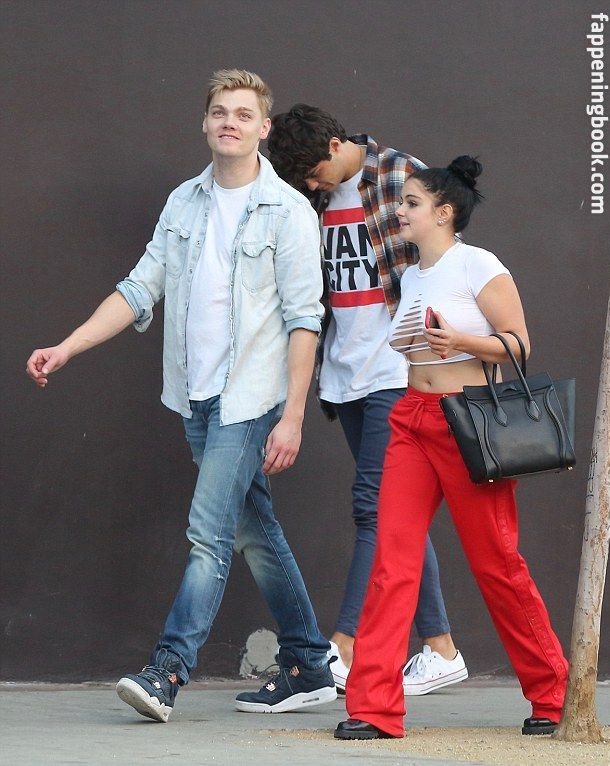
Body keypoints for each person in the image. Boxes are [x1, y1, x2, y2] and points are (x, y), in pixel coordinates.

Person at [26, 69, 337, 722]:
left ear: (264, 128)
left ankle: (166, 672)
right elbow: (141, 287)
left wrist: (293, 416)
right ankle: (309, 662)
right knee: (254, 532)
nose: (230, 122)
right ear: (205, 123)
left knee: (208, 535)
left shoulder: (287, 213)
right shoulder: (185, 203)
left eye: (243, 114)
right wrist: (69, 346)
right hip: (196, 398)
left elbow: (305, 321)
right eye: (220, 111)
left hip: (250, 400)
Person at [334, 156, 568, 740]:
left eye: (411, 203)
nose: (400, 211)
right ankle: (374, 708)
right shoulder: (412, 276)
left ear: (444, 213)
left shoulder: (477, 264)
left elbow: (519, 345)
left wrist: (458, 340)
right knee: (392, 560)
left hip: (467, 423)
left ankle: (552, 694)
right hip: (411, 416)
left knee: (497, 563)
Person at [268, 105, 467, 695]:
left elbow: (447, 259)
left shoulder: (401, 175)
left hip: (395, 368)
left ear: (336, 145)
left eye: (314, 172)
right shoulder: (313, 199)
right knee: (395, 512)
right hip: (344, 371)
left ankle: (346, 646)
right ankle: (440, 648)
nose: (311, 185)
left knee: (373, 506)